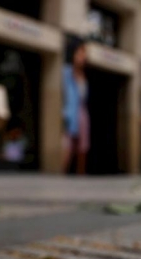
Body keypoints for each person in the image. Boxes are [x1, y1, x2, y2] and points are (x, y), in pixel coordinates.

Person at [62, 37, 90, 175]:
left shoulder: (84, 75)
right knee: (67, 148)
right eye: (81, 52)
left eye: (84, 53)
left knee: (82, 149)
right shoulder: (66, 73)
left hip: (82, 113)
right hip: (68, 114)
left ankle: (81, 178)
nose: (83, 56)